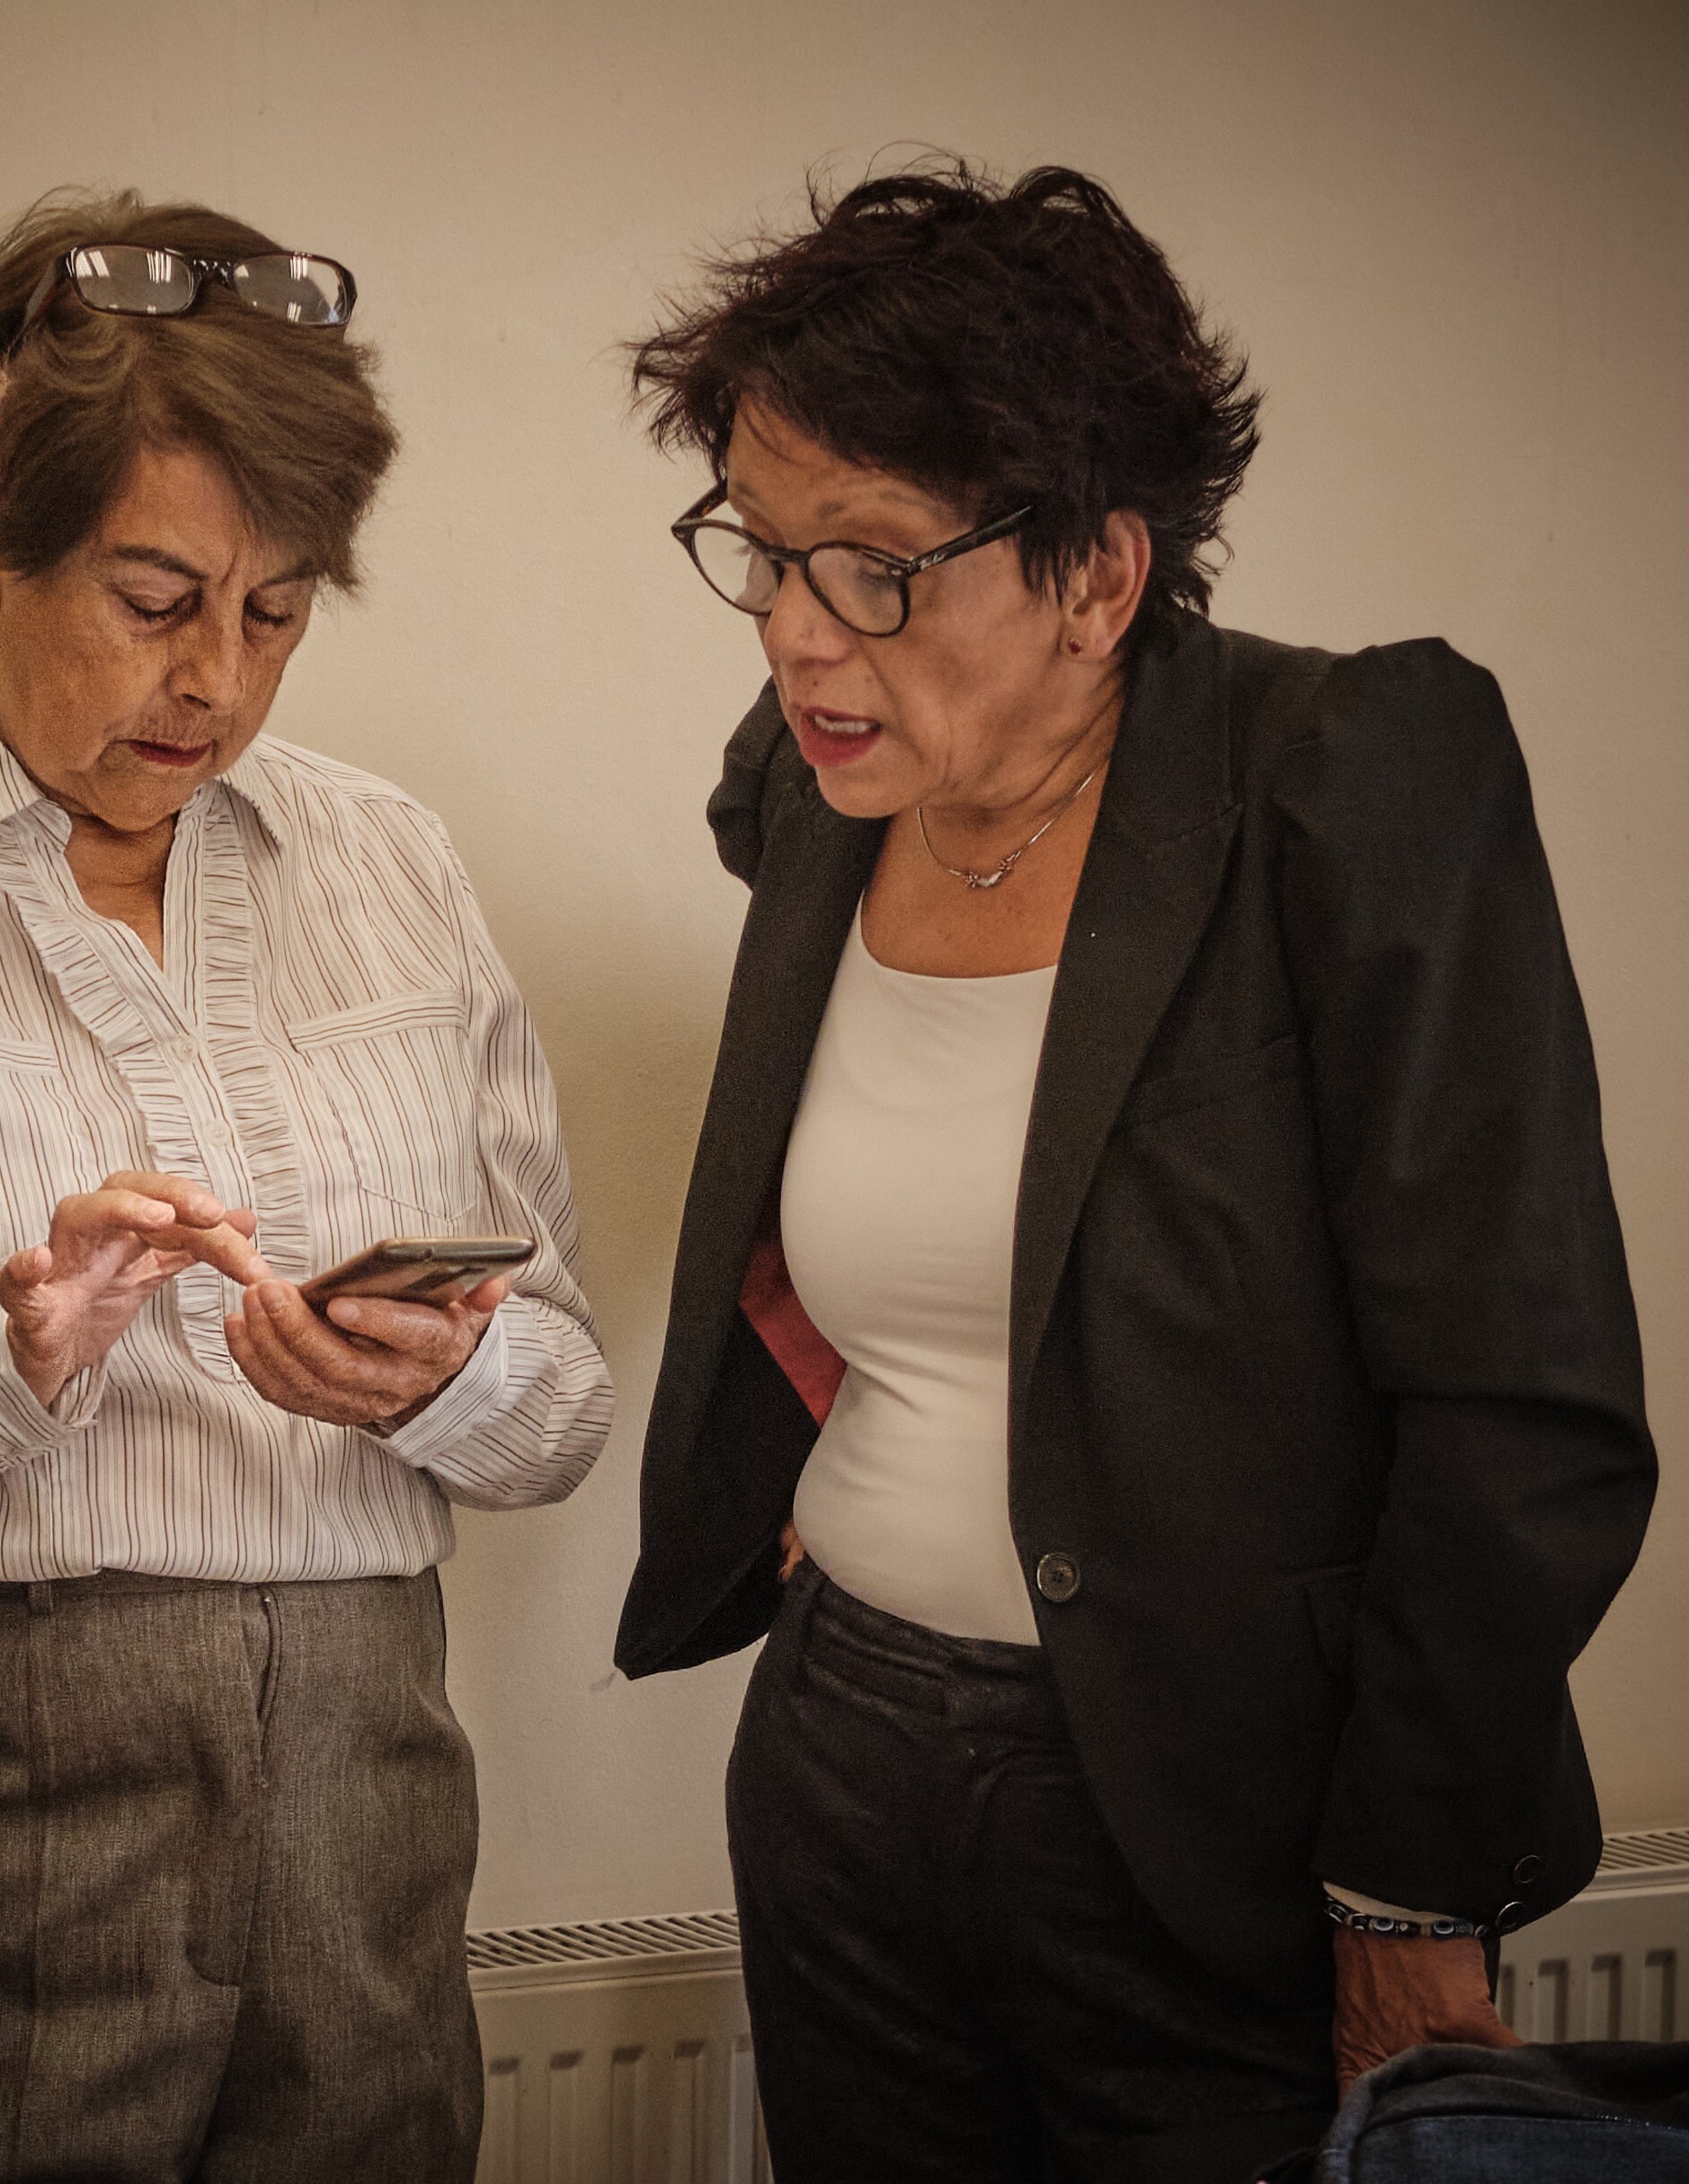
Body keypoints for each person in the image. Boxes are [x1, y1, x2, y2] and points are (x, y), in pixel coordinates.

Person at [612, 162, 1655, 2183]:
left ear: (1100, 571)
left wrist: (1406, 1896)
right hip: (842, 1760)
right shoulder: (824, 792)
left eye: (875, 568)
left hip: (1223, 1817)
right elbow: (908, 1220)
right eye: (760, 549)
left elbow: (1520, 1405)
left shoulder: (1348, 780)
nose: (797, 638)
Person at [0, 193, 614, 2182]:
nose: (216, 677)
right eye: (153, 597)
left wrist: (440, 1382)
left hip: (373, 1791)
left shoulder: (393, 861)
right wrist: (2, 1352)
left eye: (279, 610)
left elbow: (564, 1402)